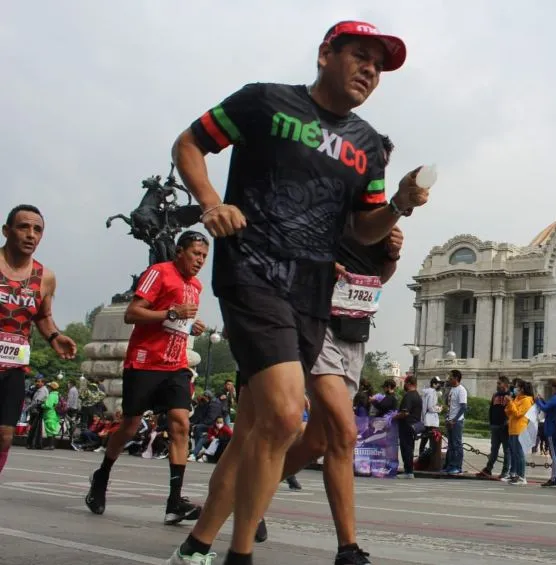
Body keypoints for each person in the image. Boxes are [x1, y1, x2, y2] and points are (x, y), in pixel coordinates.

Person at [166, 19, 422, 565]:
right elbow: (190, 143)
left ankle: (195, 547)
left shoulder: (368, 146)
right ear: (327, 53)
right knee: (286, 416)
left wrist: (397, 204)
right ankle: (239, 556)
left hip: (312, 290)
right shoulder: (264, 102)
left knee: (258, 428)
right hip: (252, 267)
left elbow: (362, 230)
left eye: (378, 66)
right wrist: (212, 201)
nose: (370, 71)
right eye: (360, 56)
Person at [85, 230, 209, 524]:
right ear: (180, 251)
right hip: (144, 363)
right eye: (195, 253)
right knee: (129, 425)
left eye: (204, 256)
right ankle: (101, 476)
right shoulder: (159, 272)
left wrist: (190, 327)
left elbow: (178, 322)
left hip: (176, 365)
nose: (199, 261)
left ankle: (174, 501)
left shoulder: (196, 286)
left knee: (181, 424)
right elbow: (132, 313)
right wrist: (172, 313)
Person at [0, 205, 76, 475]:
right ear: (6, 231)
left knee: (5, 436)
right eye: (23, 227)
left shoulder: (45, 277)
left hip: (14, 367)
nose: (31, 234)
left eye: (37, 229)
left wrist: (55, 336)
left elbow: (43, 316)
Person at [395, 375, 423, 479]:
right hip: (414, 426)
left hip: (406, 425)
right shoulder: (417, 396)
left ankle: (408, 471)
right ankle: (409, 470)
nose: (404, 385)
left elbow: (405, 413)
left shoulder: (409, 396)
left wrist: (394, 417)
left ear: (408, 383)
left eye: (405, 383)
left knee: (406, 448)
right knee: (409, 448)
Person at [443, 369, 468, 474]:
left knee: (457, 444)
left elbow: (463, 407)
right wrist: (447, 417)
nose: (449, 379)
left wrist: (454, 419)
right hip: (450, 420)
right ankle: (449, 465)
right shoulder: (452, 389)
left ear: (456, 378)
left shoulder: (461, 390)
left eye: (451, 377)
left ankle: (457, 466)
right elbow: (450, 405)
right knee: (451, 445)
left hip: (456, 422)